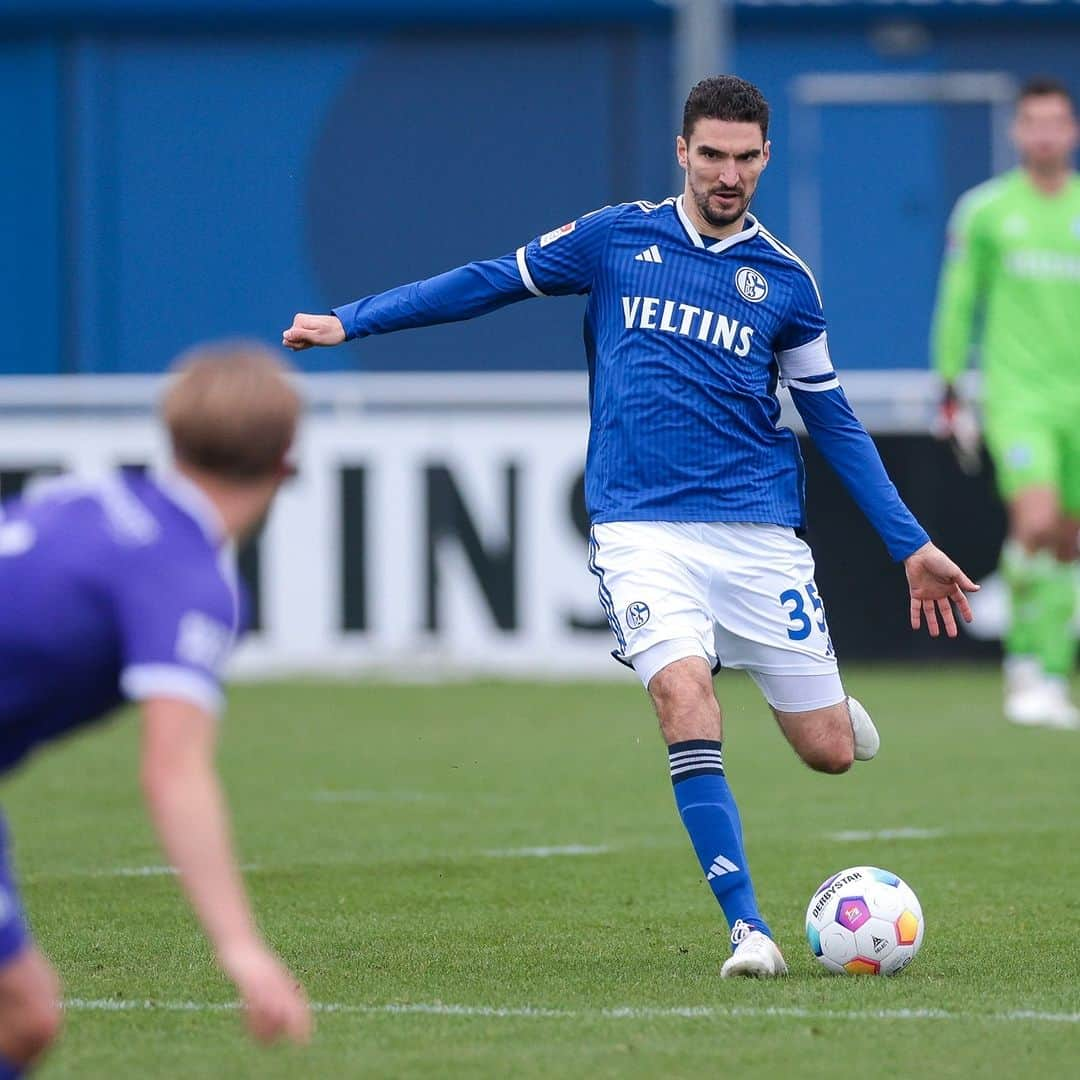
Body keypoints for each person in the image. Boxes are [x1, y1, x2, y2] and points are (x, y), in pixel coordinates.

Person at [284, 75, 976, 978]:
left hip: (758, 532)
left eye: (744, 157)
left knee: (828, 755)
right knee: (683, 697)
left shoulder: (788, 285)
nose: (727, 174)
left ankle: (833, 708)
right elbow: (490, 280)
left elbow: (833, 420)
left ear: (765, 158)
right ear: (682, 153)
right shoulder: (617, 238)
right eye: (712, 155)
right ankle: (747, 929)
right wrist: (350, 321)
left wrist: (910, 543)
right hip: (641, 530)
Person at [0, 342, 312, 1074]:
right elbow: (174, 772)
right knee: (23, 1014)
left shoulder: (85, 498)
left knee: (24, 1014)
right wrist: (242, 949)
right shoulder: (187, 579)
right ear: (285, 466)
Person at [932, 76, 1080, 731]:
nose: (1045, 134)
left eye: (1056, 122)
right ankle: (1022, 667)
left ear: (1070, 130)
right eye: (1034, 122)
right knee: (1038, 520)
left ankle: (1050, 674)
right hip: (1020, 396)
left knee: (1069, 542)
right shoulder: (986, 211)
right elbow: (959, 302)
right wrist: (949, 385)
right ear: (1017, 132)